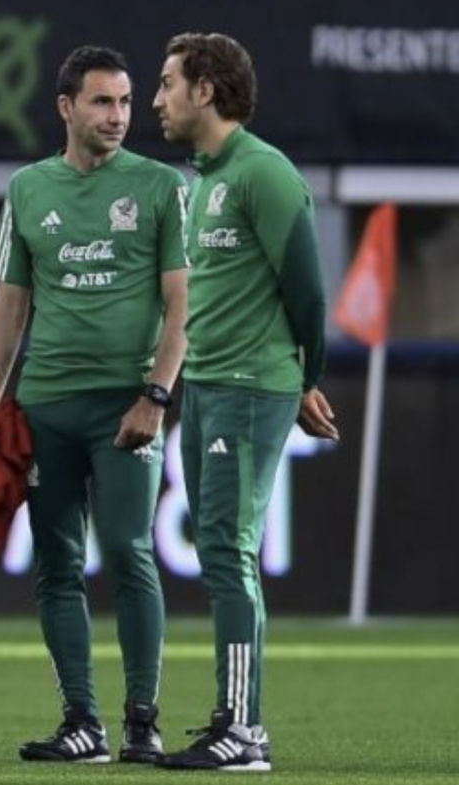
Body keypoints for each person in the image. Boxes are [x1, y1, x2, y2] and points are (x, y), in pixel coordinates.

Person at [0, 46, 188, 765]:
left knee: (128, 550)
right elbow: (10, 302)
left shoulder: (161, 186)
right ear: (66, 107)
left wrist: (156, 394)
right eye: (102, 101)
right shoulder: (28, 188)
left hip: (125, 405)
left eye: (125, 101)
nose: (118, 115)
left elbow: (182, 302)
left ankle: (142, 722)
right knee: (57, 564)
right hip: (46, 406)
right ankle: (81, 722)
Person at [152, 32, 339, 772]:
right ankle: (236, 722)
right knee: (220, 551)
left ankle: (243, 729)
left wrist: (305, 377)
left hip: (251, 387)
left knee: (229, 551)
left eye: (168, 83)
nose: (158, 99)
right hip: (206, 386)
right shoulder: (202, 181)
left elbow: (309, 292)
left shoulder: (265, 173)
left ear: (206, 90)